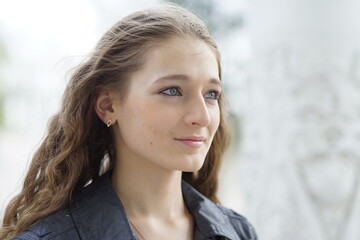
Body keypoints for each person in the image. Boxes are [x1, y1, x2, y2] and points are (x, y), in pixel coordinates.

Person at [0, 3, 257, 240]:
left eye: (211, 94)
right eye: (172, 91)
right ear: (108, 105)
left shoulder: (239, 232)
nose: (201, 117)